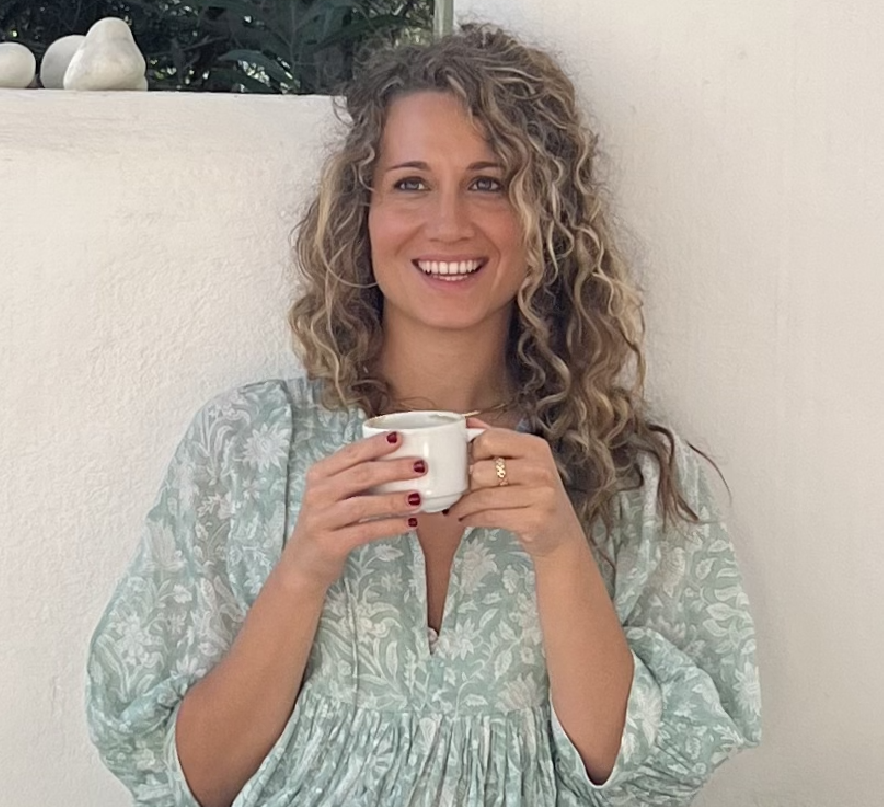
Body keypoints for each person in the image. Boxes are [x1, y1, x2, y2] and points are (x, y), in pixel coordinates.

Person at [85, 24, 761, 807]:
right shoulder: (246, 446)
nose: (448, 224)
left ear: (547, 217)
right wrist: (303, 567)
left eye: (489, 181)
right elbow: (190, 781)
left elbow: (641, 784)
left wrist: (559, 547)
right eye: (410, 182)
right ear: (361, 212)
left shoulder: (627, 476)